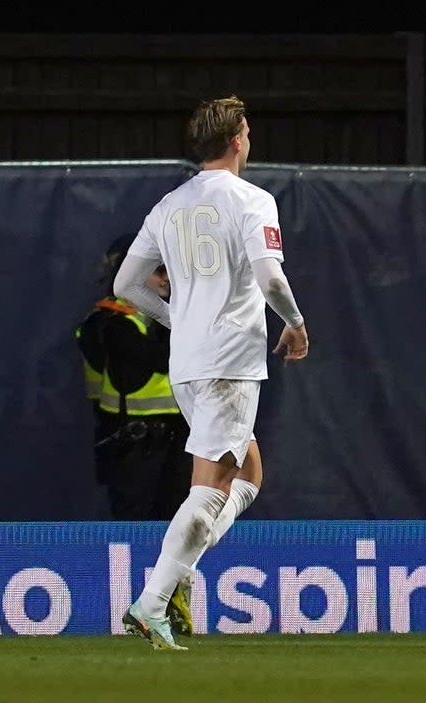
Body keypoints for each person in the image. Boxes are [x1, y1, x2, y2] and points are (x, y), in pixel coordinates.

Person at [112, 95, 308, 650]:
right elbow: (270, 277)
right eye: (247, 130)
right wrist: (294, 323)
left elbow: (126, 284)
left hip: (190, 361)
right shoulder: (252, 200)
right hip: (228, 361)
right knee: (213, 488)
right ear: (238, 138)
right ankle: (153, 601)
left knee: (248, 474)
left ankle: (178, 573)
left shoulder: (169, 204)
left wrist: (179, 320)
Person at [76, 234, 191, 522]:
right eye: (159, 270)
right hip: (135, 445)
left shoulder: (162, 316)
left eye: (171, 270)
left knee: (179, 522)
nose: (168, 280)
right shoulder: (111, 321)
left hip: (176, 440)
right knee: (137, 524)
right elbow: (161, 359)